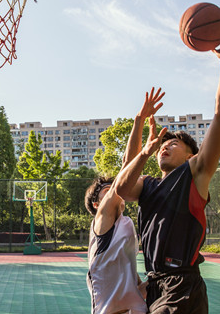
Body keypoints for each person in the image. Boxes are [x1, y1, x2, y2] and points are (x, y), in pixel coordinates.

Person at [114, 24, 220, 313]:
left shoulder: (195, 176)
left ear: (192, 154)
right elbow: (123, 186)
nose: (165, 146)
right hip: (154, 284)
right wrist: (139, 123)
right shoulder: (149, 186)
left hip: (182, 287)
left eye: (174, 144)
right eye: (162, 145)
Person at [84, 89, 166, 314]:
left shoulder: (124, 223)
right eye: (105, 190)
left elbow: (126, 270)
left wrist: (145, 286)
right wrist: (139, 120)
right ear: (96, 204)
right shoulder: (101, 222)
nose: (111, 189)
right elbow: (127, 166)